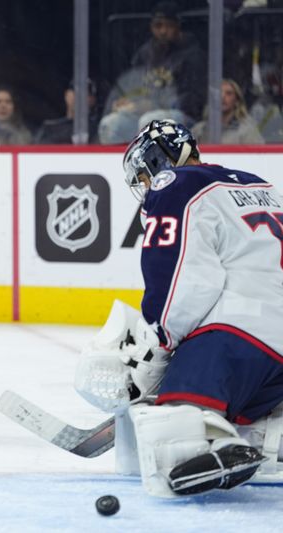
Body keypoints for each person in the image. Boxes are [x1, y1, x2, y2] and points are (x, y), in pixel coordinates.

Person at [74, 119, 283, 497]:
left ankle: (216, 443)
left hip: (240, 334)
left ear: (160, 161)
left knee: (176, 422)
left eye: (143, 174)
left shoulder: (175, 184)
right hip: (274, 350)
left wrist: (158, 344)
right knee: (248, 408)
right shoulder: (258, 186)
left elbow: (184, 276)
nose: (145, 185)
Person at [98, 1, 206, 144]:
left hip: (184, 118)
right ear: (151, 27)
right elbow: (133, 87)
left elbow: (193, 100)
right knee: (110, 125)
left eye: (168, 25)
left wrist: (155, 105)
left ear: (178, 26)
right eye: (158, 26)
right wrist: (127, 100)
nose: (163, 31)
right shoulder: (144, 54)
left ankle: (152, 164)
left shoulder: (192, 55)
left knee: (150, 122)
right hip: (144, 114)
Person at [192, 79, 265, 144]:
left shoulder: (247, 131)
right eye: (219, 93)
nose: (222, 96)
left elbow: (259, 156)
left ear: (236, 101)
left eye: (229, 93)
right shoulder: (199, 130)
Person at [34, 79, 99, 145]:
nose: (80, 97)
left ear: (93, 100)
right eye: (76, 92)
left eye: (86, 94)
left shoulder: (97, 130)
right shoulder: (49, 129)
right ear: (67, 95)